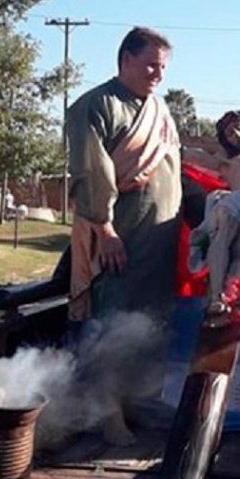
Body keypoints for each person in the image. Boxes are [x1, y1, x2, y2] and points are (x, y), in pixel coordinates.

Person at [67, 27, 181, 319]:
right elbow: (91, 171)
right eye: (152, 64)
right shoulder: (97, 105)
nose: (159, 74)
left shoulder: (160, 111)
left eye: (163, 67)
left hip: (160, 248)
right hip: (119, 245)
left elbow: (175, 166)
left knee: (151, 329)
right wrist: (106, 232)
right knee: (112, 328)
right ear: (127, 59)